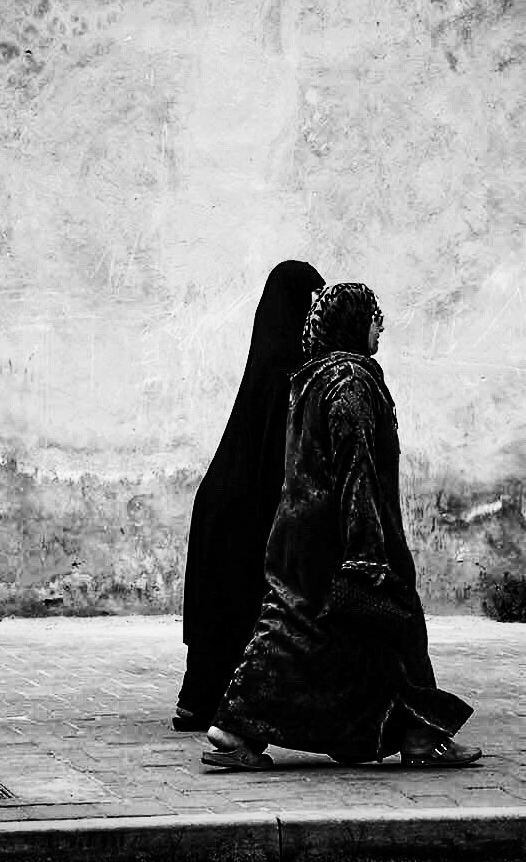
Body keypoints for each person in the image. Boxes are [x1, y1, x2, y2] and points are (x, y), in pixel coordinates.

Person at [201, 283, 481, 770]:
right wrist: (367, 554)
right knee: (387, 627)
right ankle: (233, 728)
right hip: (340, 539)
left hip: (302, 535)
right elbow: (356, 469)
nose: (382, 326)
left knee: (314, 632)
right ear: (355, 323)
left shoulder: (312, 378)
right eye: (375, 315)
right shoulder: (350, 381)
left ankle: (416, 735)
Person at [174, 260, 327, 731]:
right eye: (314, 305)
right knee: (258, 606)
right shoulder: (294, 375)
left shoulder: (264, 362)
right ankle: (243, 711)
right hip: (248, 511)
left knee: (225, 610)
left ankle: (199, 700)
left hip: (221, 505)